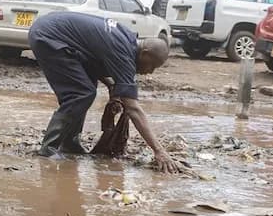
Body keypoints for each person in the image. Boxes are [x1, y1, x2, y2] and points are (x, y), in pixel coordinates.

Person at [27, 11, 182, 173]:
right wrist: (159, 151)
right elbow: (133, 108)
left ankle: (69, 143)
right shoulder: (124, 54)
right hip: (48, 36)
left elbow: (94, 57)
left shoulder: (126, 40)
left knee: (86, 88)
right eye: (153, 65)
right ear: (145, 53)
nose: (150, 72)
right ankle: (49, 148)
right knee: (81, 93)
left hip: (53, 31)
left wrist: (110, 85)